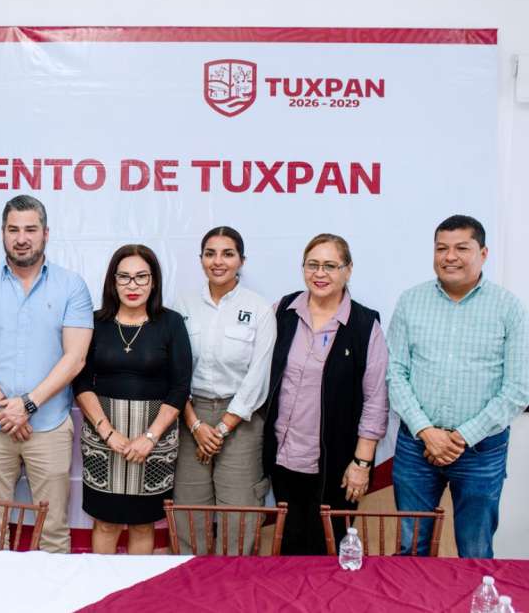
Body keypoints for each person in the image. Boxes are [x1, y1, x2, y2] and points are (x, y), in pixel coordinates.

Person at [0, 195, 94, 553]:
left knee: (52, 531)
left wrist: (28, 405)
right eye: (13, 229)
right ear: (2, 233)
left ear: (46, 233)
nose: (21, 238)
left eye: (30, 229)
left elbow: (75, 358)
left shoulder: (71, 286)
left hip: (49, 426)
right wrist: (5, 408)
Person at [388, 215, 528, 558]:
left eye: (461, 248)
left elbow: (518, 388)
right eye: (441, 248)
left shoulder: (509, 307)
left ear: (483, 253)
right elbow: (395, 372)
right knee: (411, 547)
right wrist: (426, 432)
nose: (449, 257)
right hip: (417, 448)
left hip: (482, 451)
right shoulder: (410, 301)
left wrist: (461, 436)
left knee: (475, 549)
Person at [262, 233, 388, 555]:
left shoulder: (364, 325)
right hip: (284, 458)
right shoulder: (283, 311)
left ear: (348, 270)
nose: (320, 273)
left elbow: (375, 400)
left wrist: (362, 462)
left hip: (338, 463)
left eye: (330, 266)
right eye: (312, 265)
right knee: (288, 547)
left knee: (328, 552)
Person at [74, 244, 191, 554]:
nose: (133, 285)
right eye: (124, 277)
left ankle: (137, 586)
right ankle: (101, 585)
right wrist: (108, 433)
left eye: (141, 277)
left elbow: (180, 387)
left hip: (154, 442)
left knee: (143, 524)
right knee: (105, 522)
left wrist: (150, 437)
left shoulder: (171, 323)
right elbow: (81, 382)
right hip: (103, 439)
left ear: (154, 281)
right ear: (113, 282)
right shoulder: (94, 323)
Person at [172, 226, 275, 555]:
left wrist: (220, 429)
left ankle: (234, 581)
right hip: (190, 416)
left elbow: (259, 375)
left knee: (239, 512)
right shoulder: (182, 305)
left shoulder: (259, 309)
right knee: (190, 509)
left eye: (228, 254)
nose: (218, 261)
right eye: (210, 253)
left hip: (241, 418)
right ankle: (191, 578)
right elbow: (174, 370)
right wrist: (196, 425)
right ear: (201, 259)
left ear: (241, 260)